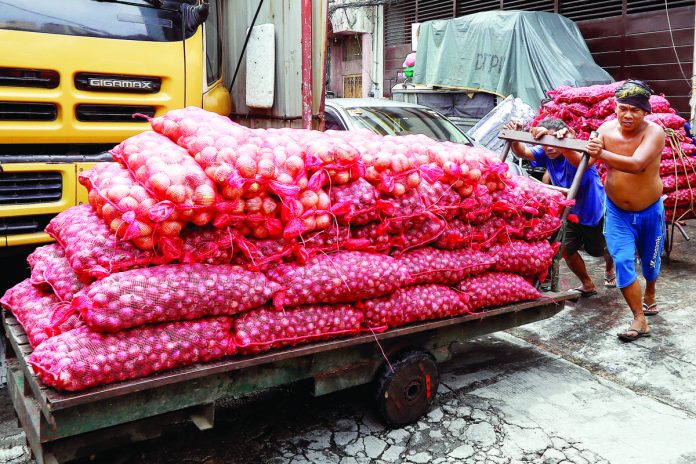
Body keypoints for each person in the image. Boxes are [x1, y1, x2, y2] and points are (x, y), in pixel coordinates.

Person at [586, 80, 666, 342]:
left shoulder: (655, 132)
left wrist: (601, 152)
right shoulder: (605, 129)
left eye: (635, 110)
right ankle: (638, 318)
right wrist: (566, 144)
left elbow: (637, 164)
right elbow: (585, 162)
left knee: (650, 264)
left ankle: (650, 292)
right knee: (622, 260)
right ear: (615, 108)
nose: (628, 115)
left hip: (649, 211)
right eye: (623, 108)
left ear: (645, 112)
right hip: (617, 211)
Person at [504, 117, 615, 297]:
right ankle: (587, 284)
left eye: (553, 143)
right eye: (545, 143)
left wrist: (564, 142)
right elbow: (523, 152)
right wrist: (516, 137)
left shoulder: (579, 152)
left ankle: (610, 268)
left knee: (601, 250)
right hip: (570, 212)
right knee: (566, 250)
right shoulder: (546, 152)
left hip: (593, 211)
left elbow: (579, 163)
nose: (549, 148)